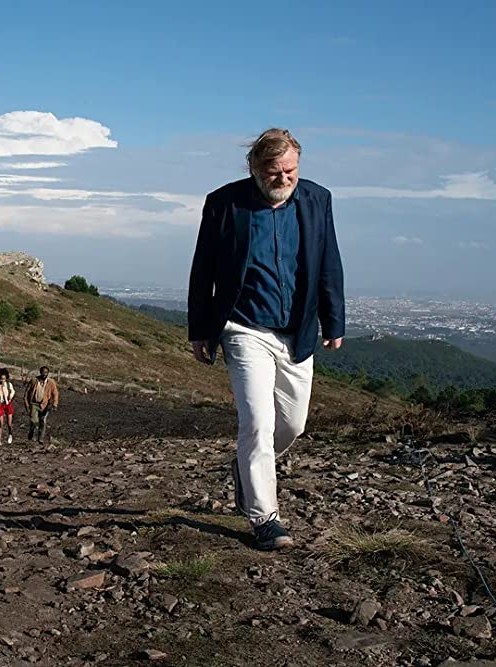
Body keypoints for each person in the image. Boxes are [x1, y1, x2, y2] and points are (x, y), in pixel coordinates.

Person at [187, 128, 345, 551]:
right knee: (257, 422)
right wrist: (200, 330)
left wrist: (335, 320)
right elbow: (203, 269)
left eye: (290, 170)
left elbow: (328, 260)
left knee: (292, 424)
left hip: (297, 331)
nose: (283, 179)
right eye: (273, 171)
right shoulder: (224, 204)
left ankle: (245, 469)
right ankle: (265, 518)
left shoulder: (318, 200)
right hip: (243, 328)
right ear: (254, 169)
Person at [24, 366, 59, 444]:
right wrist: (26, 402)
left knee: (43, 421)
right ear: (40, 372)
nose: (44, 374)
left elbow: (55, 393)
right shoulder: (34, 380)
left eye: (46, 372)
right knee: (34, 420)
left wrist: (54, 404)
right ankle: (32, 430)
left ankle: (41, 439)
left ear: (48, 373)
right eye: (43, 372)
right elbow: (27, 392)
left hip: (45, 404)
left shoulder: (51, 382)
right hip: (34, 403)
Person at [0, 368, 16, 445]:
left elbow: (13, 391)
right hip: (0, 404)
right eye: (1, 379)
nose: (2, 380)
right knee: (1, 423)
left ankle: (10, 434)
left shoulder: (9, 385)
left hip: (8, 404)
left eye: (4, 379)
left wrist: (10, 397)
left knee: (9, 422)